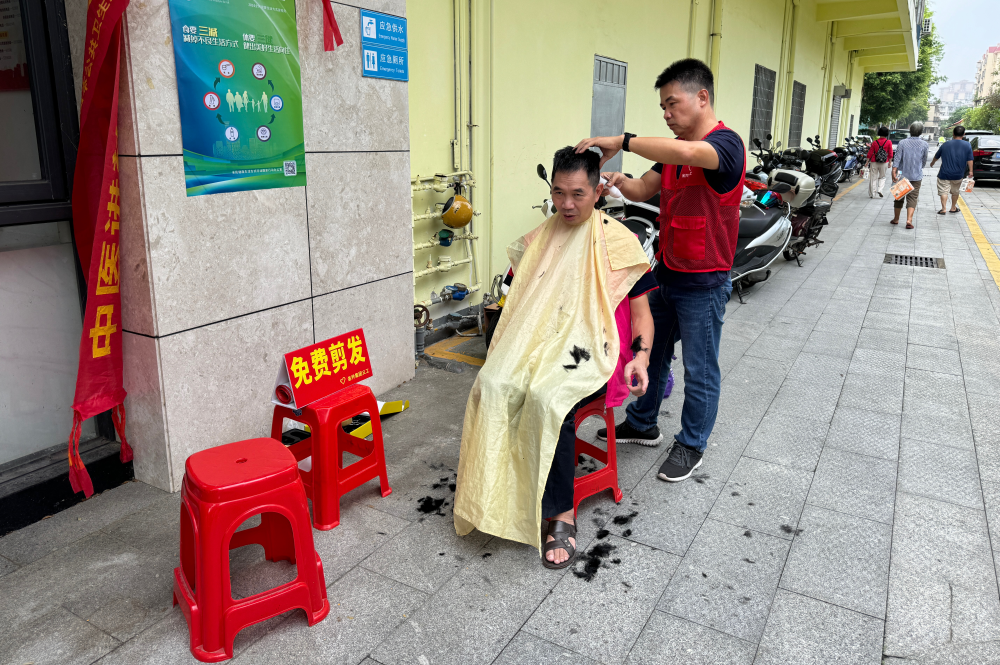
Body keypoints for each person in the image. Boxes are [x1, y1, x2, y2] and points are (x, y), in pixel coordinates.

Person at [453, 148, 655, 569]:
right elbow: (518, 301)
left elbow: (641, 314)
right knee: (492, 385)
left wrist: (641, 358)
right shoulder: (538, 240)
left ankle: (561, 512)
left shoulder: (619, 242)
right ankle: (491, 490)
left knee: (549, 399)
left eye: (578, 193)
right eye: (559, 192)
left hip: (589, 352)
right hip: (536, 346)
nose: (567, 203)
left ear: (598, 191)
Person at [575, 58, 744, 483]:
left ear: (702, 97)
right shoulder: (673, 151)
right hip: (666, 271)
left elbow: (688, 153)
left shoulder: (725, 145)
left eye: (672, 104)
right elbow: (642, 189)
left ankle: (692, 444)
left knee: (700, 369)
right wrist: (618, 182)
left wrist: (623, 140)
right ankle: (643, 422)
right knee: (649, 350)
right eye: (663, 107)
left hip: (704, 281)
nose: (666, 114)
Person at [891, 122, 929, 229]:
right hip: (916, 175)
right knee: (913, 197)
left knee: (899, 197)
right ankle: (909, 220)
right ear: (921, 132)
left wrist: (894, 171)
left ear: (910, 131)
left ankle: (896, 219)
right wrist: (919, 167)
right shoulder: (924, 144)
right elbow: (924, 159)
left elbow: (897, 158)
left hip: (902, 174)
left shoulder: (902, 143)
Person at [930, 125, 974, 215]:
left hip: (944, 173)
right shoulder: (967, 145)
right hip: (958, 174)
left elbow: (937, 156)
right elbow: (970, 159)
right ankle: (953, 207)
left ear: (953, 133)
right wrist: (971, 171)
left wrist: (932, 163)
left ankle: (943, 209)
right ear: (964, 134)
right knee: (955, 191)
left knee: (943, 191)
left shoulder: (945, 144)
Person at [867, 127, 893, 198]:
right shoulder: (889, 142)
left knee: (873, 177)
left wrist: (867, 162)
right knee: (882, 177)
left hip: (874, 161)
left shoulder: (875, 142)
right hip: (884, 162)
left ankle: (873, 193)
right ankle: (880, 190)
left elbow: (870, 152)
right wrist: (890, 162)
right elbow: (890, 153)